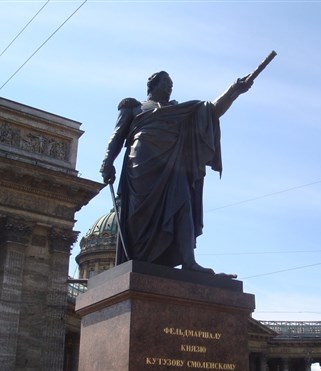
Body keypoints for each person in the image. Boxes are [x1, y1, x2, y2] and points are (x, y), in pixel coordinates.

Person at [100, 71, 252, 275]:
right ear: (152, 85)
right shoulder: (134, 107)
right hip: (141, 165)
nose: (170, 87)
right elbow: (117, 136)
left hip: (173, 166)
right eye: (166, 83)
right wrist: (107, 162)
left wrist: (234, 90)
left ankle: (189, 261)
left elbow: (211, 110)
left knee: (183, 206)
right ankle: (138, 259)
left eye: (172, 84)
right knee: (138, 217)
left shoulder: (179, 110)